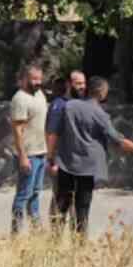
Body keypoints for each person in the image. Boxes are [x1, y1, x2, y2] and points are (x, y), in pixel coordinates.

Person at [49, 76, 133, 237]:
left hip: (66, 164)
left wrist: (51, 156)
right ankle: (79, 245)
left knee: (61, 206)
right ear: (101, 93)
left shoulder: (69, 106)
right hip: (87, 168)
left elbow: (54, 133)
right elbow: (119, 141)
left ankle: (52, 244)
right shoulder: (100, 114)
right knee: (82, 209)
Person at [9, 64, 48, 235]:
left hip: (41, 152)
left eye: (40, 78)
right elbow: (17, 131)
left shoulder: (39, 94)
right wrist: (22, 157)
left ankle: (36, 230)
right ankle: (16, 232)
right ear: (25, 78)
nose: (38, 82)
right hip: (29, 154)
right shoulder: (20, 99)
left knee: (36, 192)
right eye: (34, 79)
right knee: (24, 194)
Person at [46, 70, 86, 228]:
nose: (82, 87)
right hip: (62, 163)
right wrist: (52, 160)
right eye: (78, 83)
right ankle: (55, 242)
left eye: (83, 83)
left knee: (77, 205)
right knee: (61, 202)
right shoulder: (59, 105)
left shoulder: (81, 104)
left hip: (79, 164)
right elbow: (51, 134)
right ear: (69, 84)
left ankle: (77, 243)